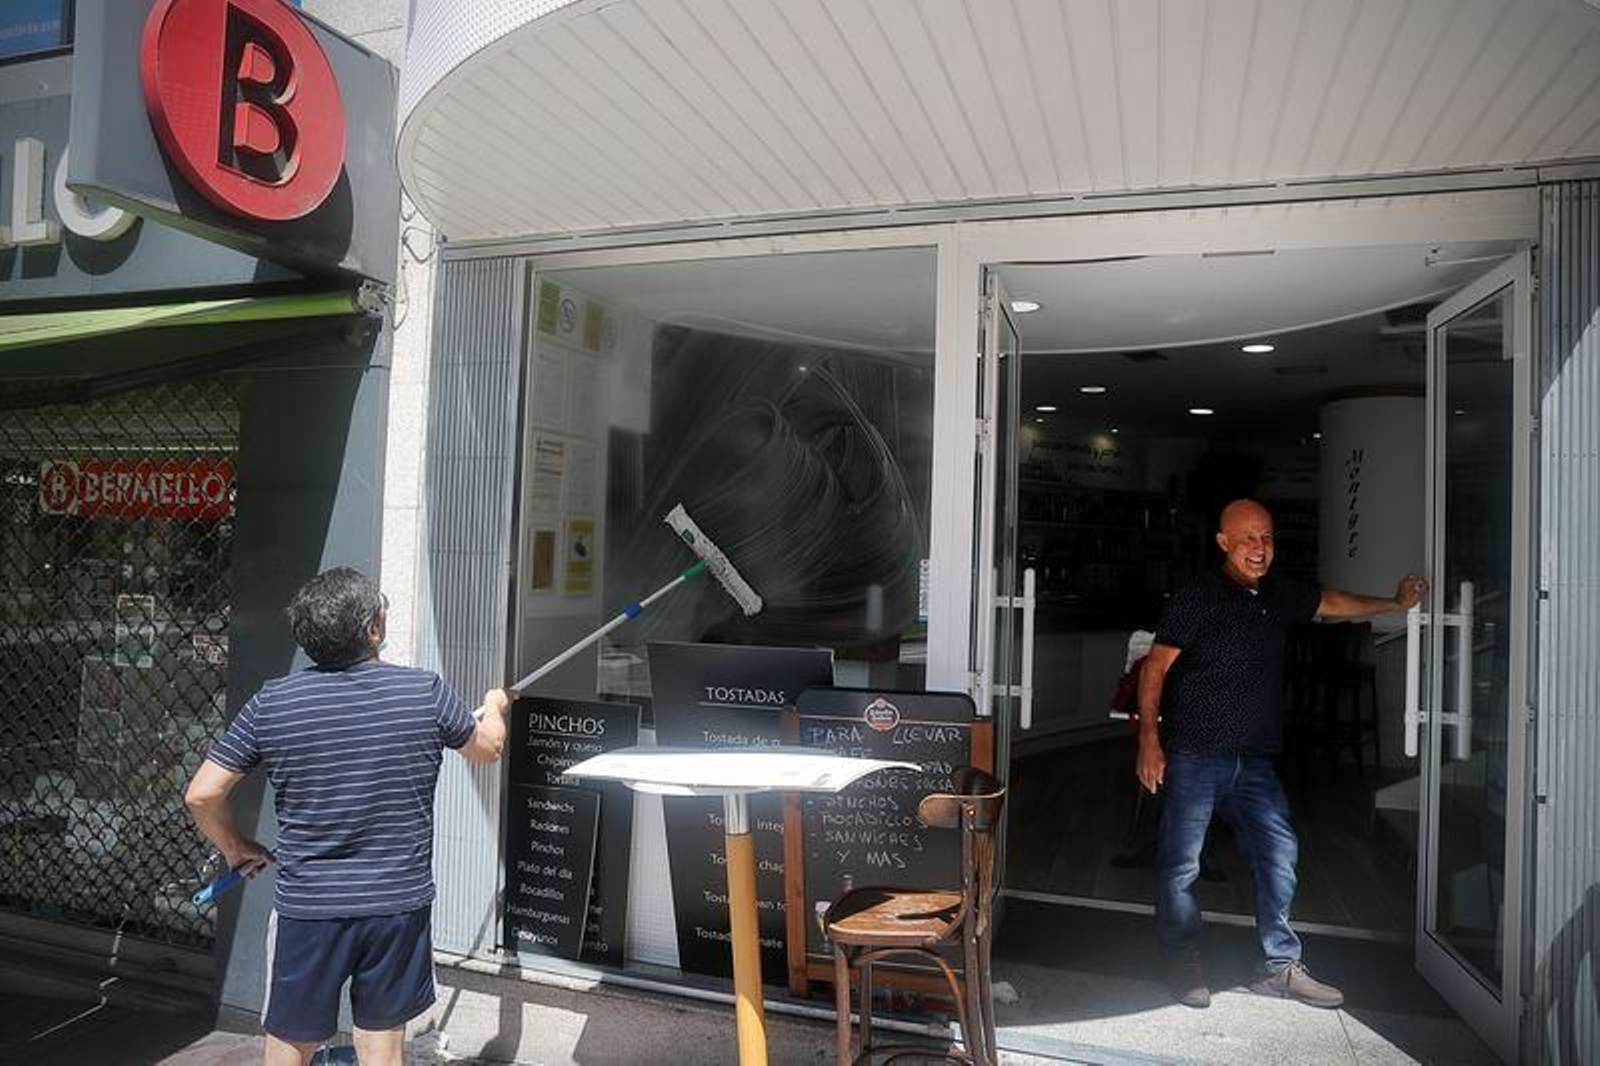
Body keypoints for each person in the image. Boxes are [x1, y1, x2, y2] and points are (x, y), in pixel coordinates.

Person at [184, 568, 516, 1066]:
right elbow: (489, 749)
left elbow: (201, 795)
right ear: (372, 629)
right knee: (381, 1048)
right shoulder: (424, 692)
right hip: (395, 906)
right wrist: (493, 705)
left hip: (309, 906)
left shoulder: (272, 703)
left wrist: (236, 847)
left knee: (290, 1043)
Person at [1136, 499, 1426, 1010]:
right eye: (1247, 538)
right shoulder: (1197, 596)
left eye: (1266, 537)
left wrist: (1395, 604)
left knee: (1279, 855)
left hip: (1255, 761)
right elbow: (1154, 668)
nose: (1259, 548)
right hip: (1195, 755)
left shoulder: (1279, 592)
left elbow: (1332, 603)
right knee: (1182, 865)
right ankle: (1180, 956)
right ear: (1224, 542)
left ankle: (1277, 967)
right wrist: (1149, 741)